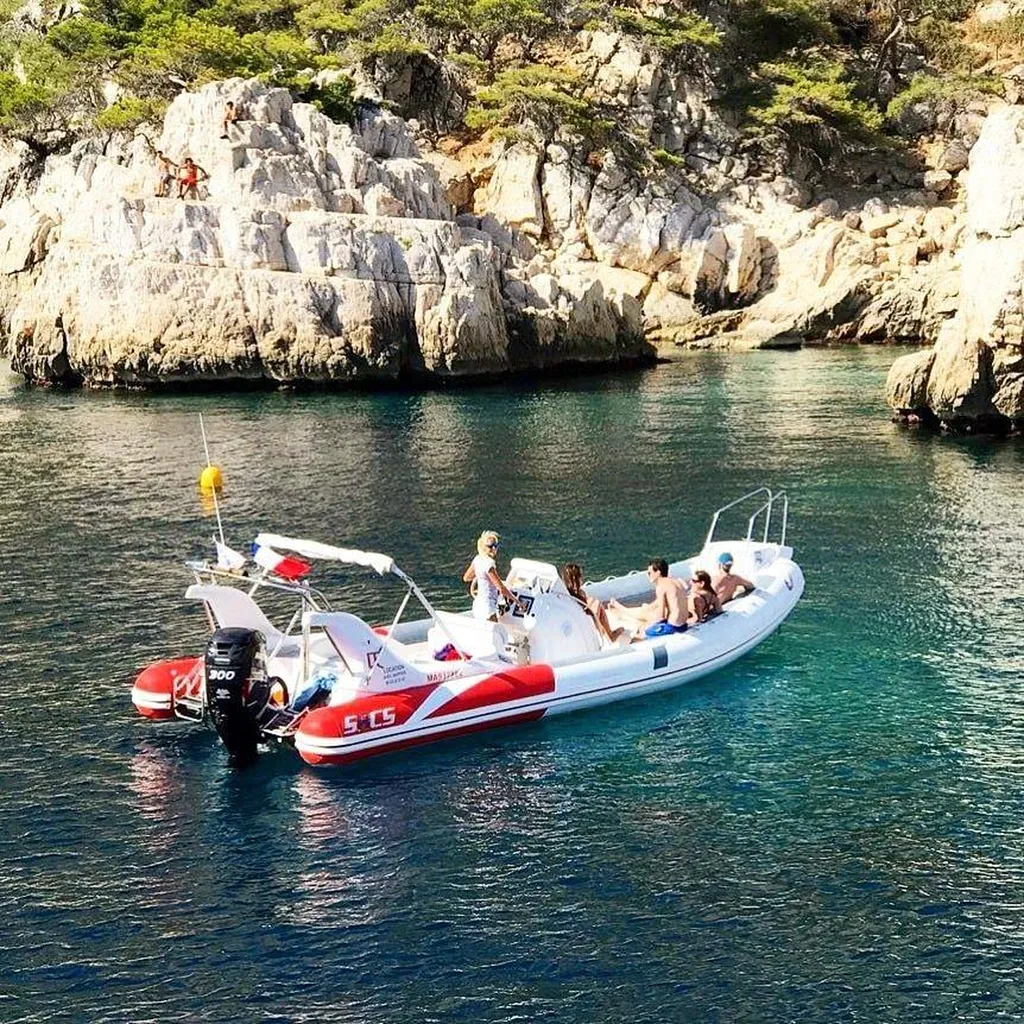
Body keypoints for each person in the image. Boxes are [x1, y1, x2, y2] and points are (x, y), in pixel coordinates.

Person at [610, 558, 688, 638]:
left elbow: (661, 615)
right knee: (646, 617)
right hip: (683, 625)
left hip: (674, 627)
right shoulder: (677, 582)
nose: (648, 576)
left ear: (658, 572)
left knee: (639, 635)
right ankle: (619, 608)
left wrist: (647, 626)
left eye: (649, 573)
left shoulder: (661, 586)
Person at [462, 530, 524, 622]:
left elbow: (466, 578)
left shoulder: (477, 559)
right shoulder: (489, 564)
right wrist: (517, 602)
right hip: (487, 607)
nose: (494, 549)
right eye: (490, 546)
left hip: (477, 605)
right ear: (483, 547)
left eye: (496, 546)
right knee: (494, 634)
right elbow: (501, 589)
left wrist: (481, 577)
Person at [561, 563, 623, 644]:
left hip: (574, 621)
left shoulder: (563, 594)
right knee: (597, 603)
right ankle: (610, 636)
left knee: (594, 602)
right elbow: (587, 612)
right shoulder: (579, 595)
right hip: (585, 624)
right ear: (578, 579)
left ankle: (608, 635)